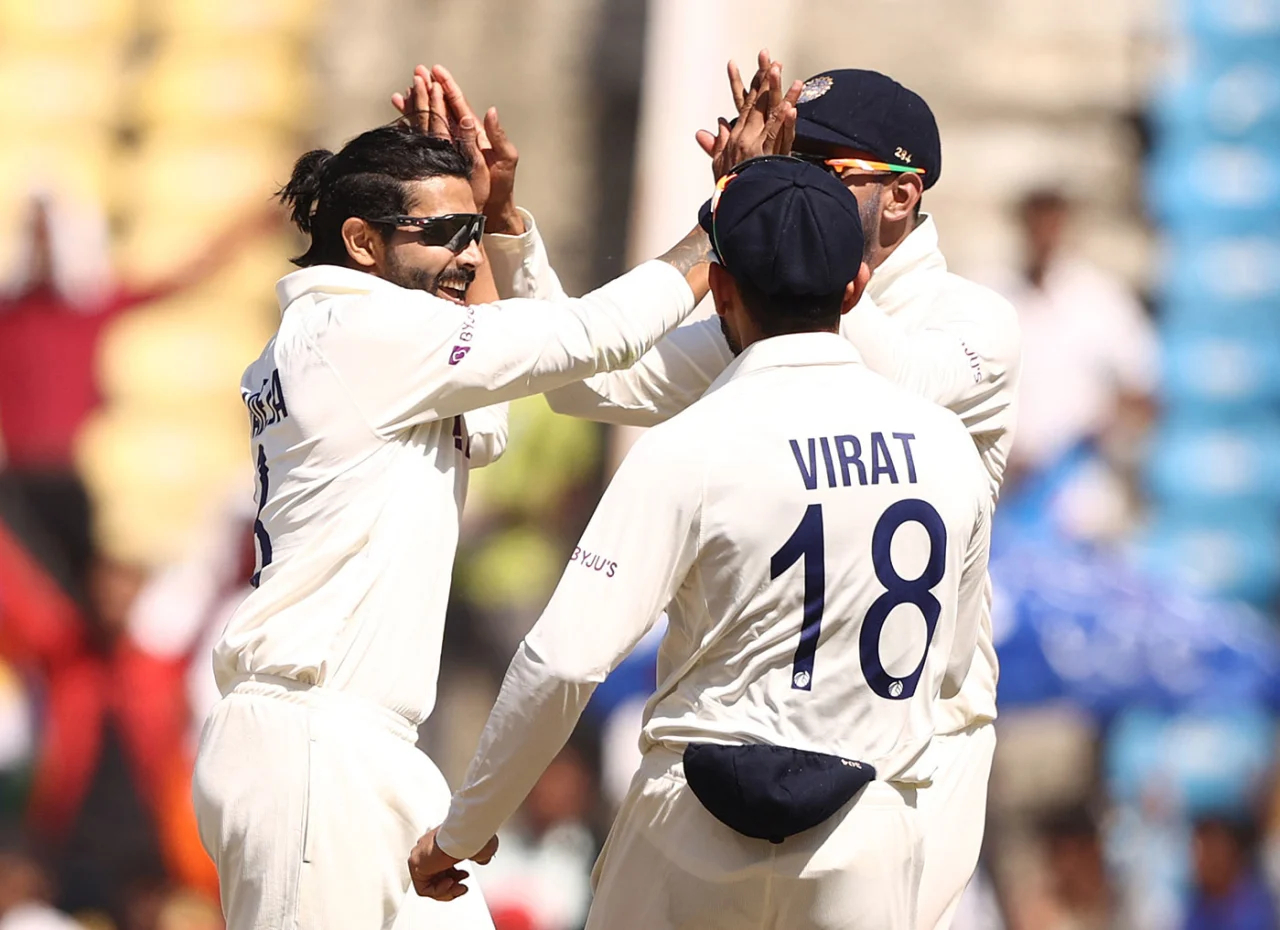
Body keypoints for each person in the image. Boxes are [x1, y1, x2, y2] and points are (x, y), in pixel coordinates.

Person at [466, 57, 1020, 930]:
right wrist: (509, 234)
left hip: (915, 748)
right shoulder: (778, 310)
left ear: (905, 195)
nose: (805, 185)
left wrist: (765, 209)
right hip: (740, 746)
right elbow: (589, 383)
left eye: (824, 173)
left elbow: (896, 381)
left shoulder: (974, 323)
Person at [190, 111, 713, 930]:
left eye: (472, 233)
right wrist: (727, 219)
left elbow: (492, 426)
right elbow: (592, 335)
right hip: (311, 748)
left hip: (362, 745)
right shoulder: (356, 330)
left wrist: (490, 215)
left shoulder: (357, 341)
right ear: (363, 243)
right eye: (444, 231)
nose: (469, 255)